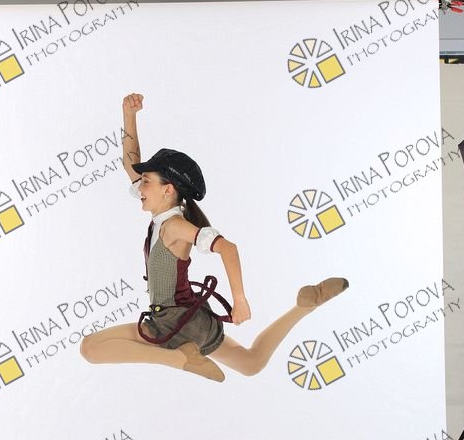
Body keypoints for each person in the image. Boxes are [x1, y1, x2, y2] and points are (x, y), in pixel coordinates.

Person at [80, 93, 348, 382]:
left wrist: (240, 300)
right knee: (251, 363)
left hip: (173, 322)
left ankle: (180, 358)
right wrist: (129, 116)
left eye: (146, 182)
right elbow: (130, 163)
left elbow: (228, 248)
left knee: (91, 348)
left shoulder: (174, 226)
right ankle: (304, 306)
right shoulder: (163, 217)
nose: (139, 187)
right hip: (191, 321)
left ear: (168, 189)